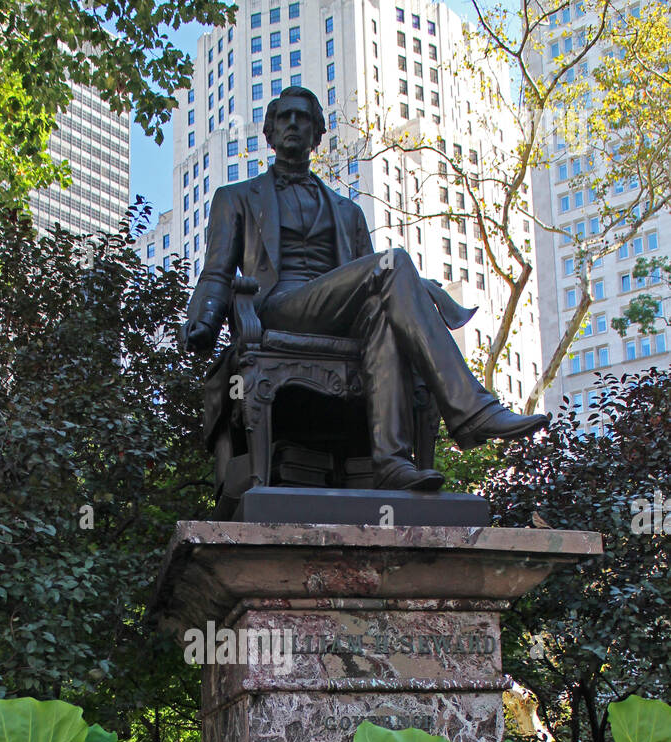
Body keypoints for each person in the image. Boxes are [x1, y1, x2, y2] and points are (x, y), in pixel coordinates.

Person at [183, 86, 549, 492]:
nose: (292, 124)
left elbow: (379, 290)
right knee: (394, 263)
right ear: (268, 133)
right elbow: (216, 272)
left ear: (317, 133)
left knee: (382, 314)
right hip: (278, 307)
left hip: (335, 316)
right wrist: (203, 321)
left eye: (302, 118)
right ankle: (471, 409)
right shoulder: (235, 198)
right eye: (283, 117)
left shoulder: (348, 211)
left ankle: (391, 463)